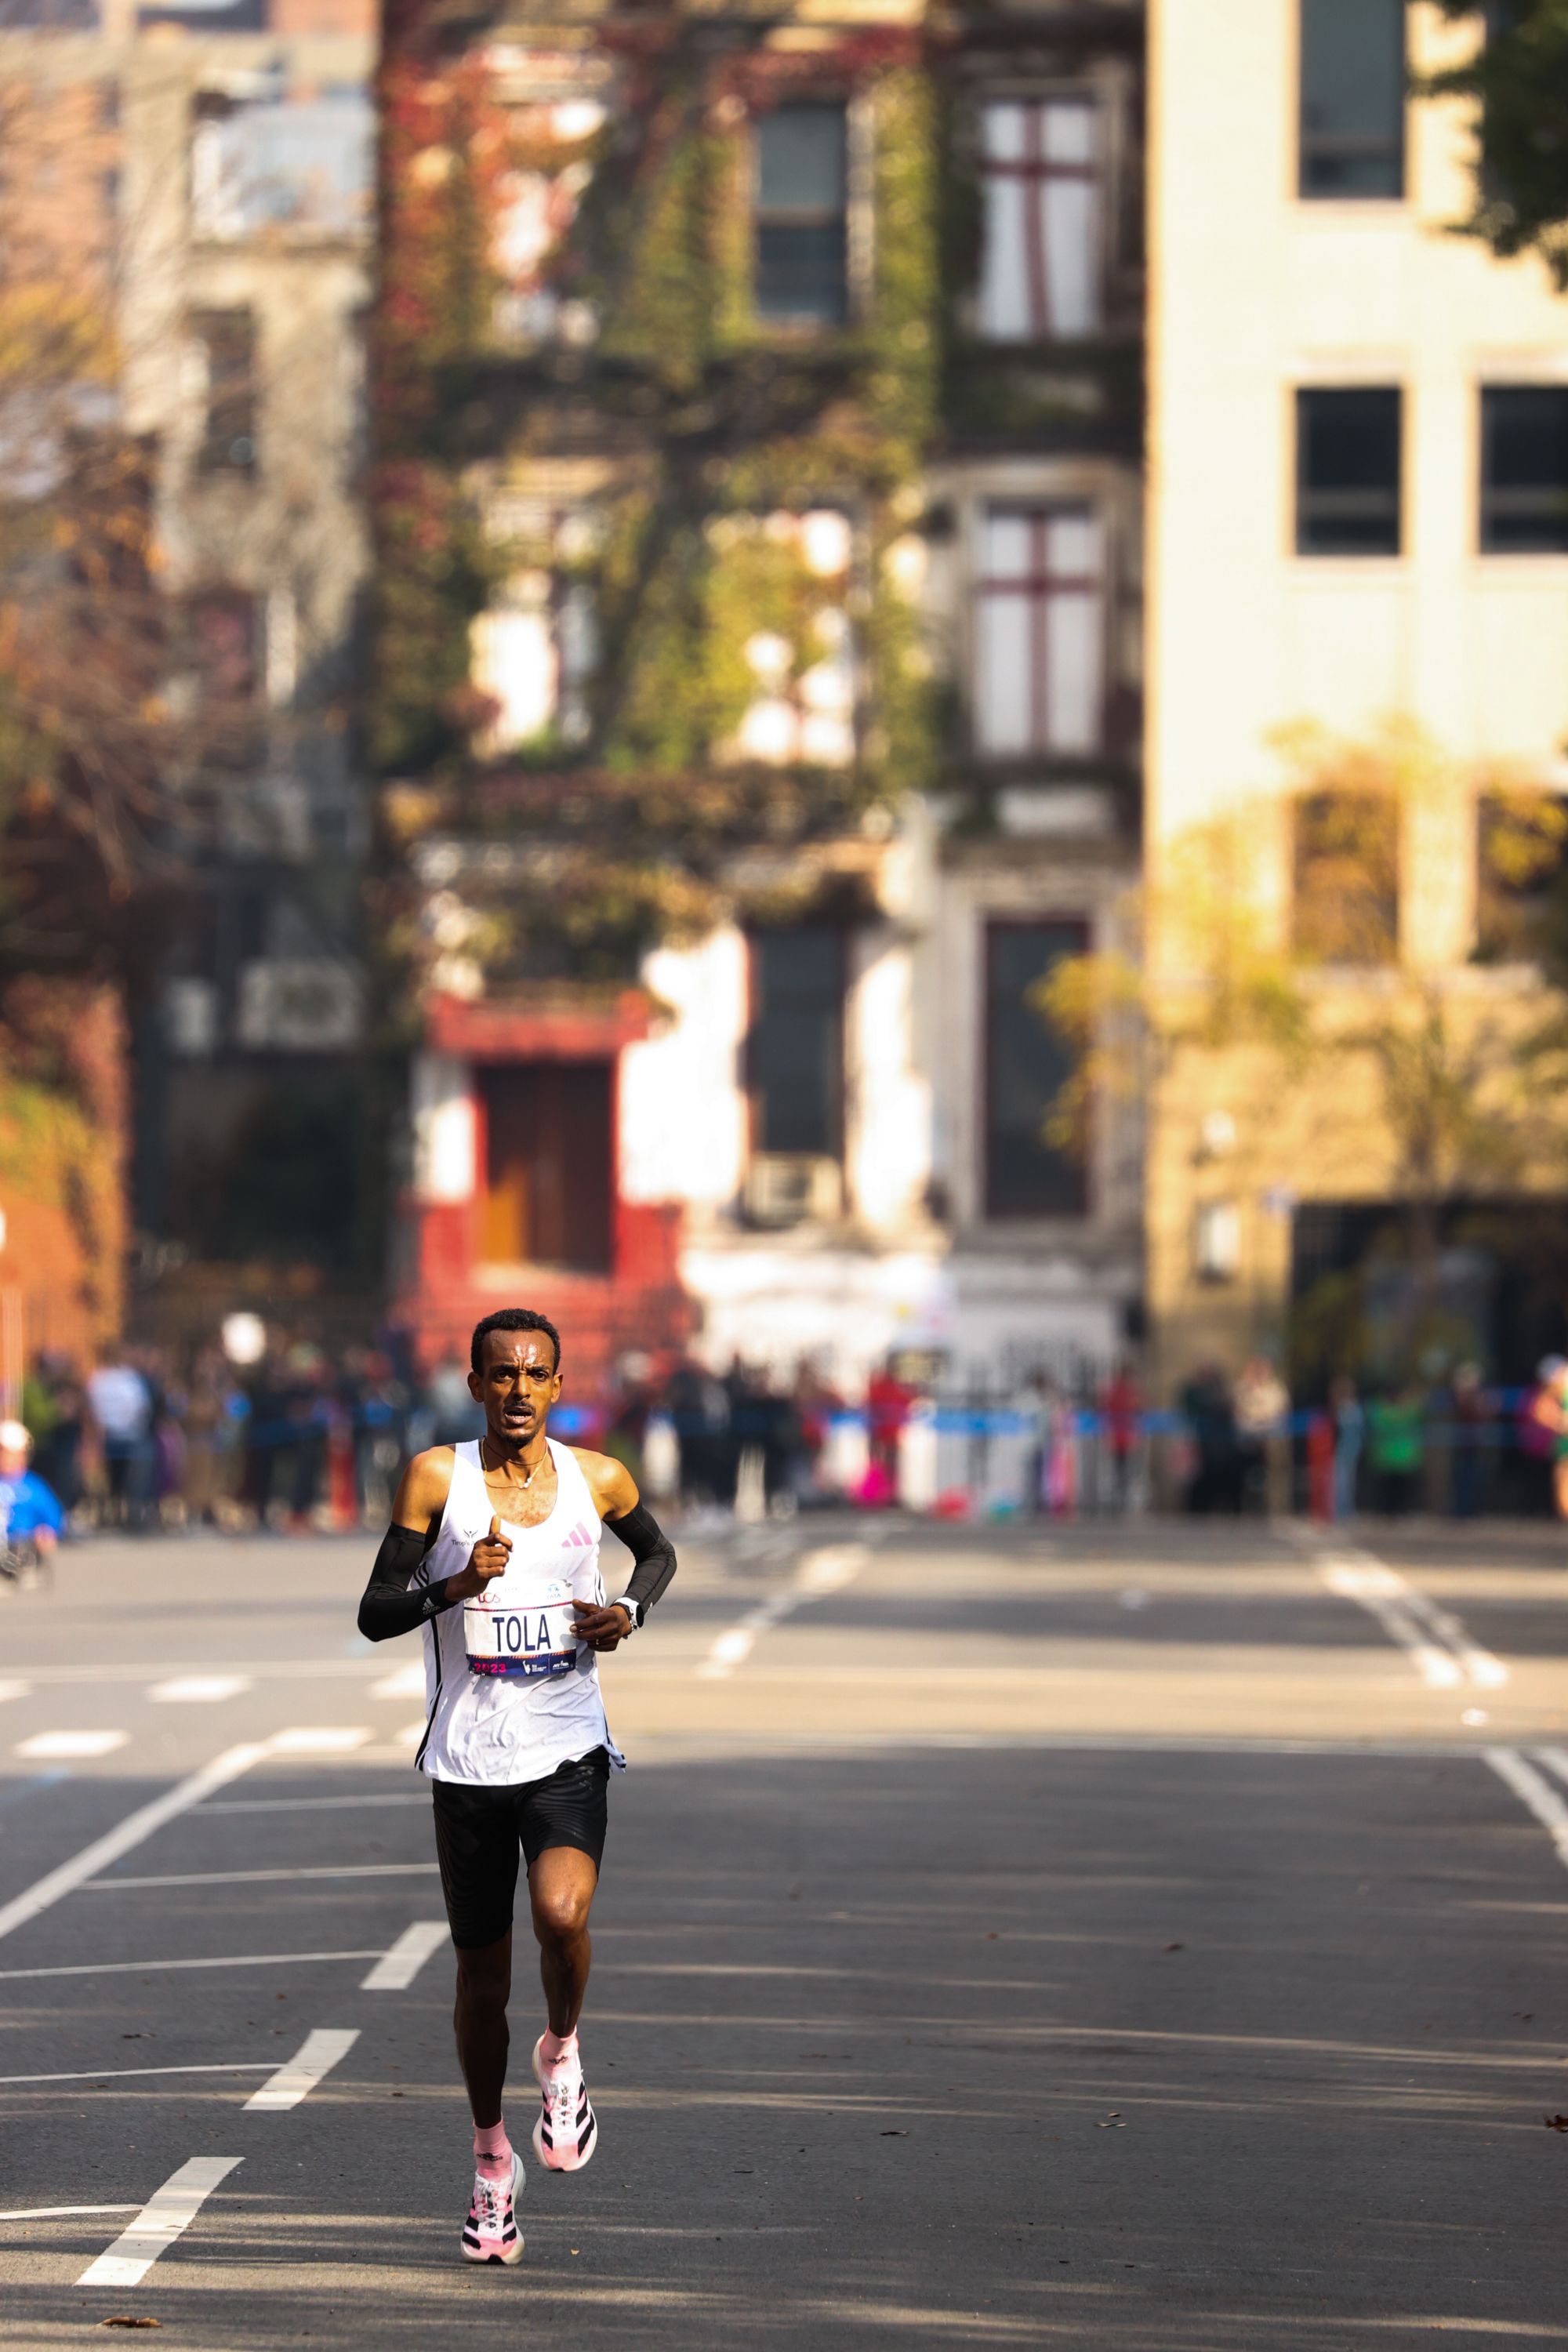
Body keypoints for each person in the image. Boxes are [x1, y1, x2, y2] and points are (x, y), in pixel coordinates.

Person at [356, 1306, 677, 2268]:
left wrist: (625, 1610)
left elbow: (657, 1555)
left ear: (559, 1384)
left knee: (562, 1913)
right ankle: (492, 2160)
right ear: (474, 1386)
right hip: (466, 1762)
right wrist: (451, 1588)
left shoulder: (599, 1478)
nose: (519, 1391)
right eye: (501, 1376)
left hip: (567, 1742)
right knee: (480, 1980)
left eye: (536, 1375)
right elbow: (375, 1614)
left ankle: (565, 2052)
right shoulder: (435, 1480)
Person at [0, 1418, 65, 1568]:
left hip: (23, 1548)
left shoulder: (34, 1487)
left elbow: (54, 1515)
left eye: (12, 1453)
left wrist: (47, 1532)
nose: (7, 1459)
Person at [1329, 1373, 1363, 1522]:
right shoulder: (1339, 1409)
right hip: (1341, 1450)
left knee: (1347, 1483)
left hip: (1349, 1449)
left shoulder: (1352, 1409)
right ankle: (1339, 1511)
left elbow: (1359, 1431)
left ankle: (1345, 1511)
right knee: (1340, 1483)